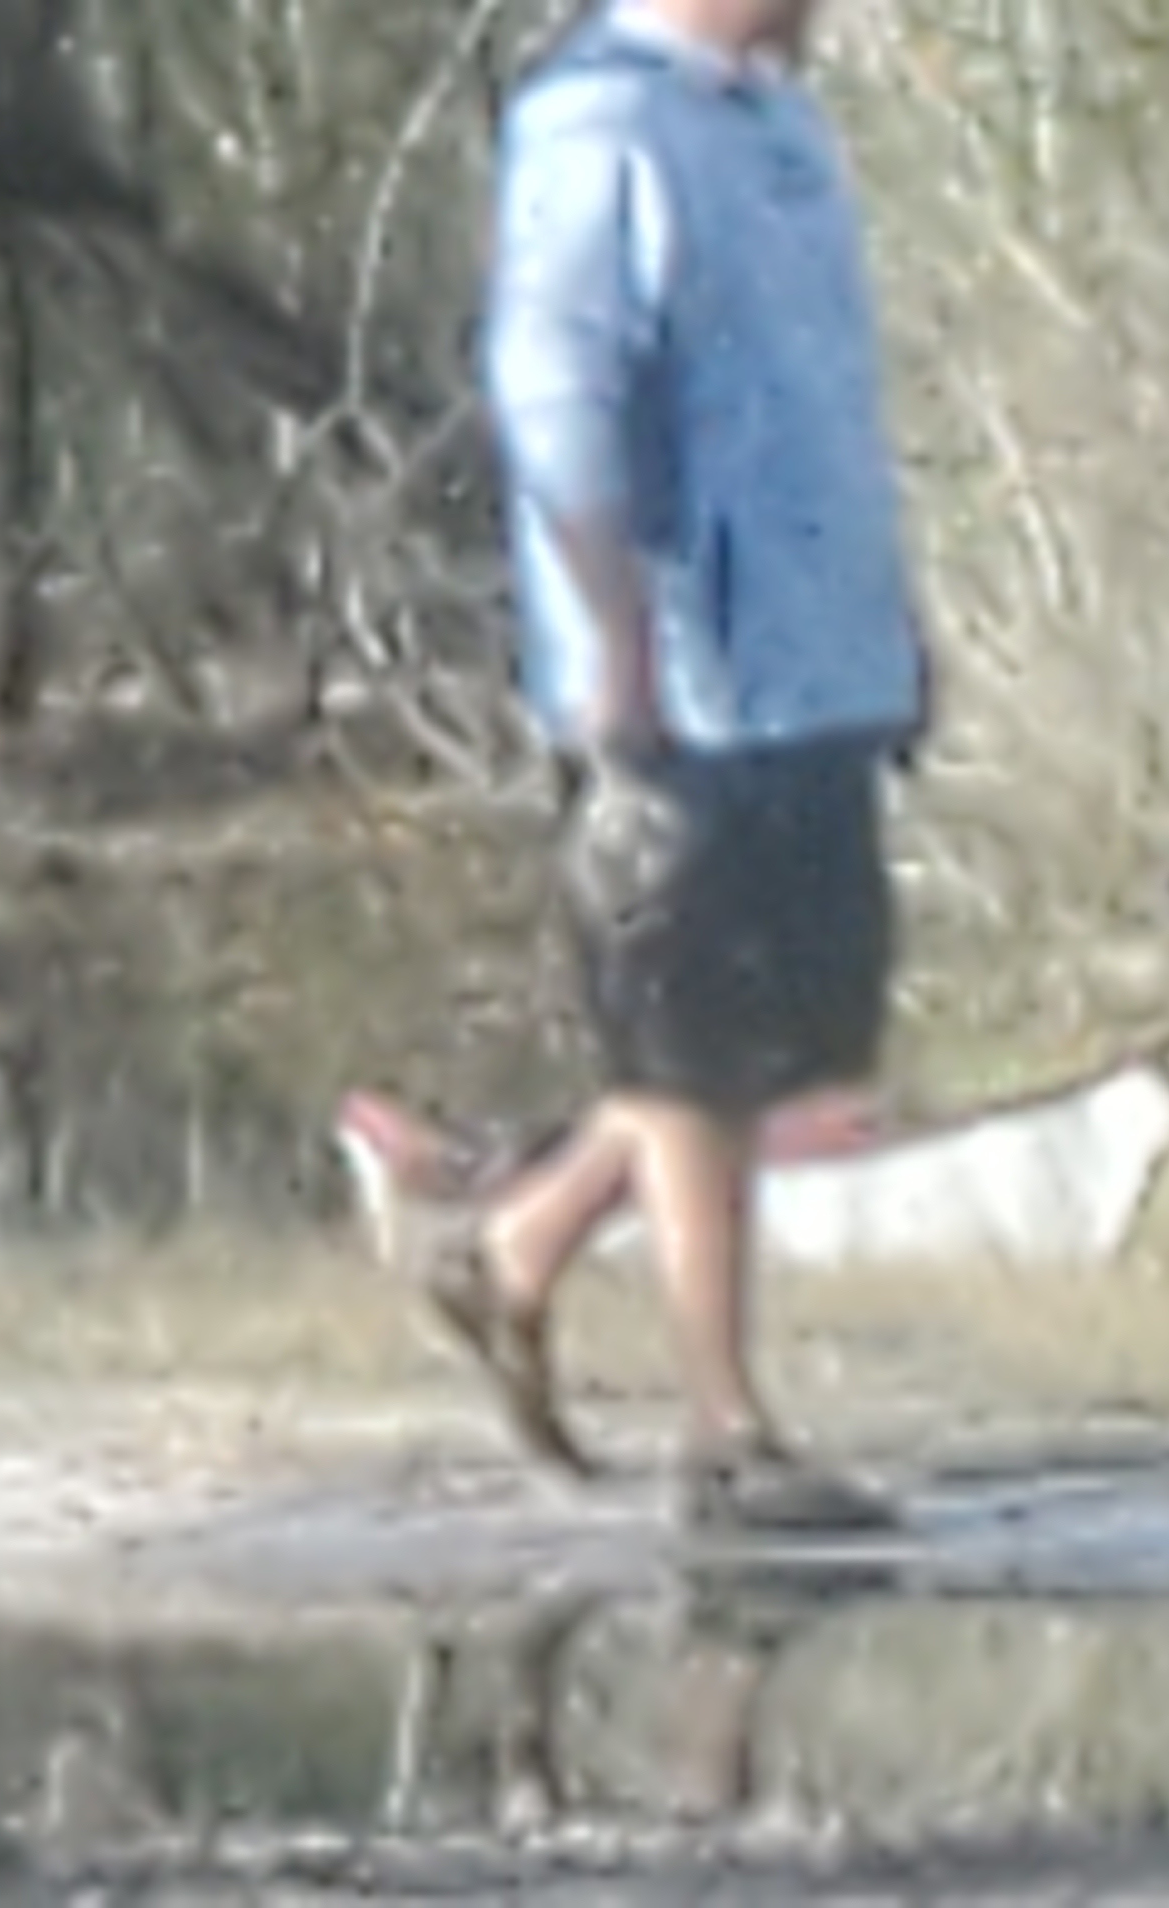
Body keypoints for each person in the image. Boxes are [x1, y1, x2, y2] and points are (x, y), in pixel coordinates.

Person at [399, 0, 930, 1533]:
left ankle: (512, 1253)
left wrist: (897, 619)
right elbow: (557, 399)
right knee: (694, 1049)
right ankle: (725, 1431)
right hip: (683, 673)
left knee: (786, 1042)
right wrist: (613, 628)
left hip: (818, 661)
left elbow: (832, 413)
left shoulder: (782, 132)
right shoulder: (598, 128)